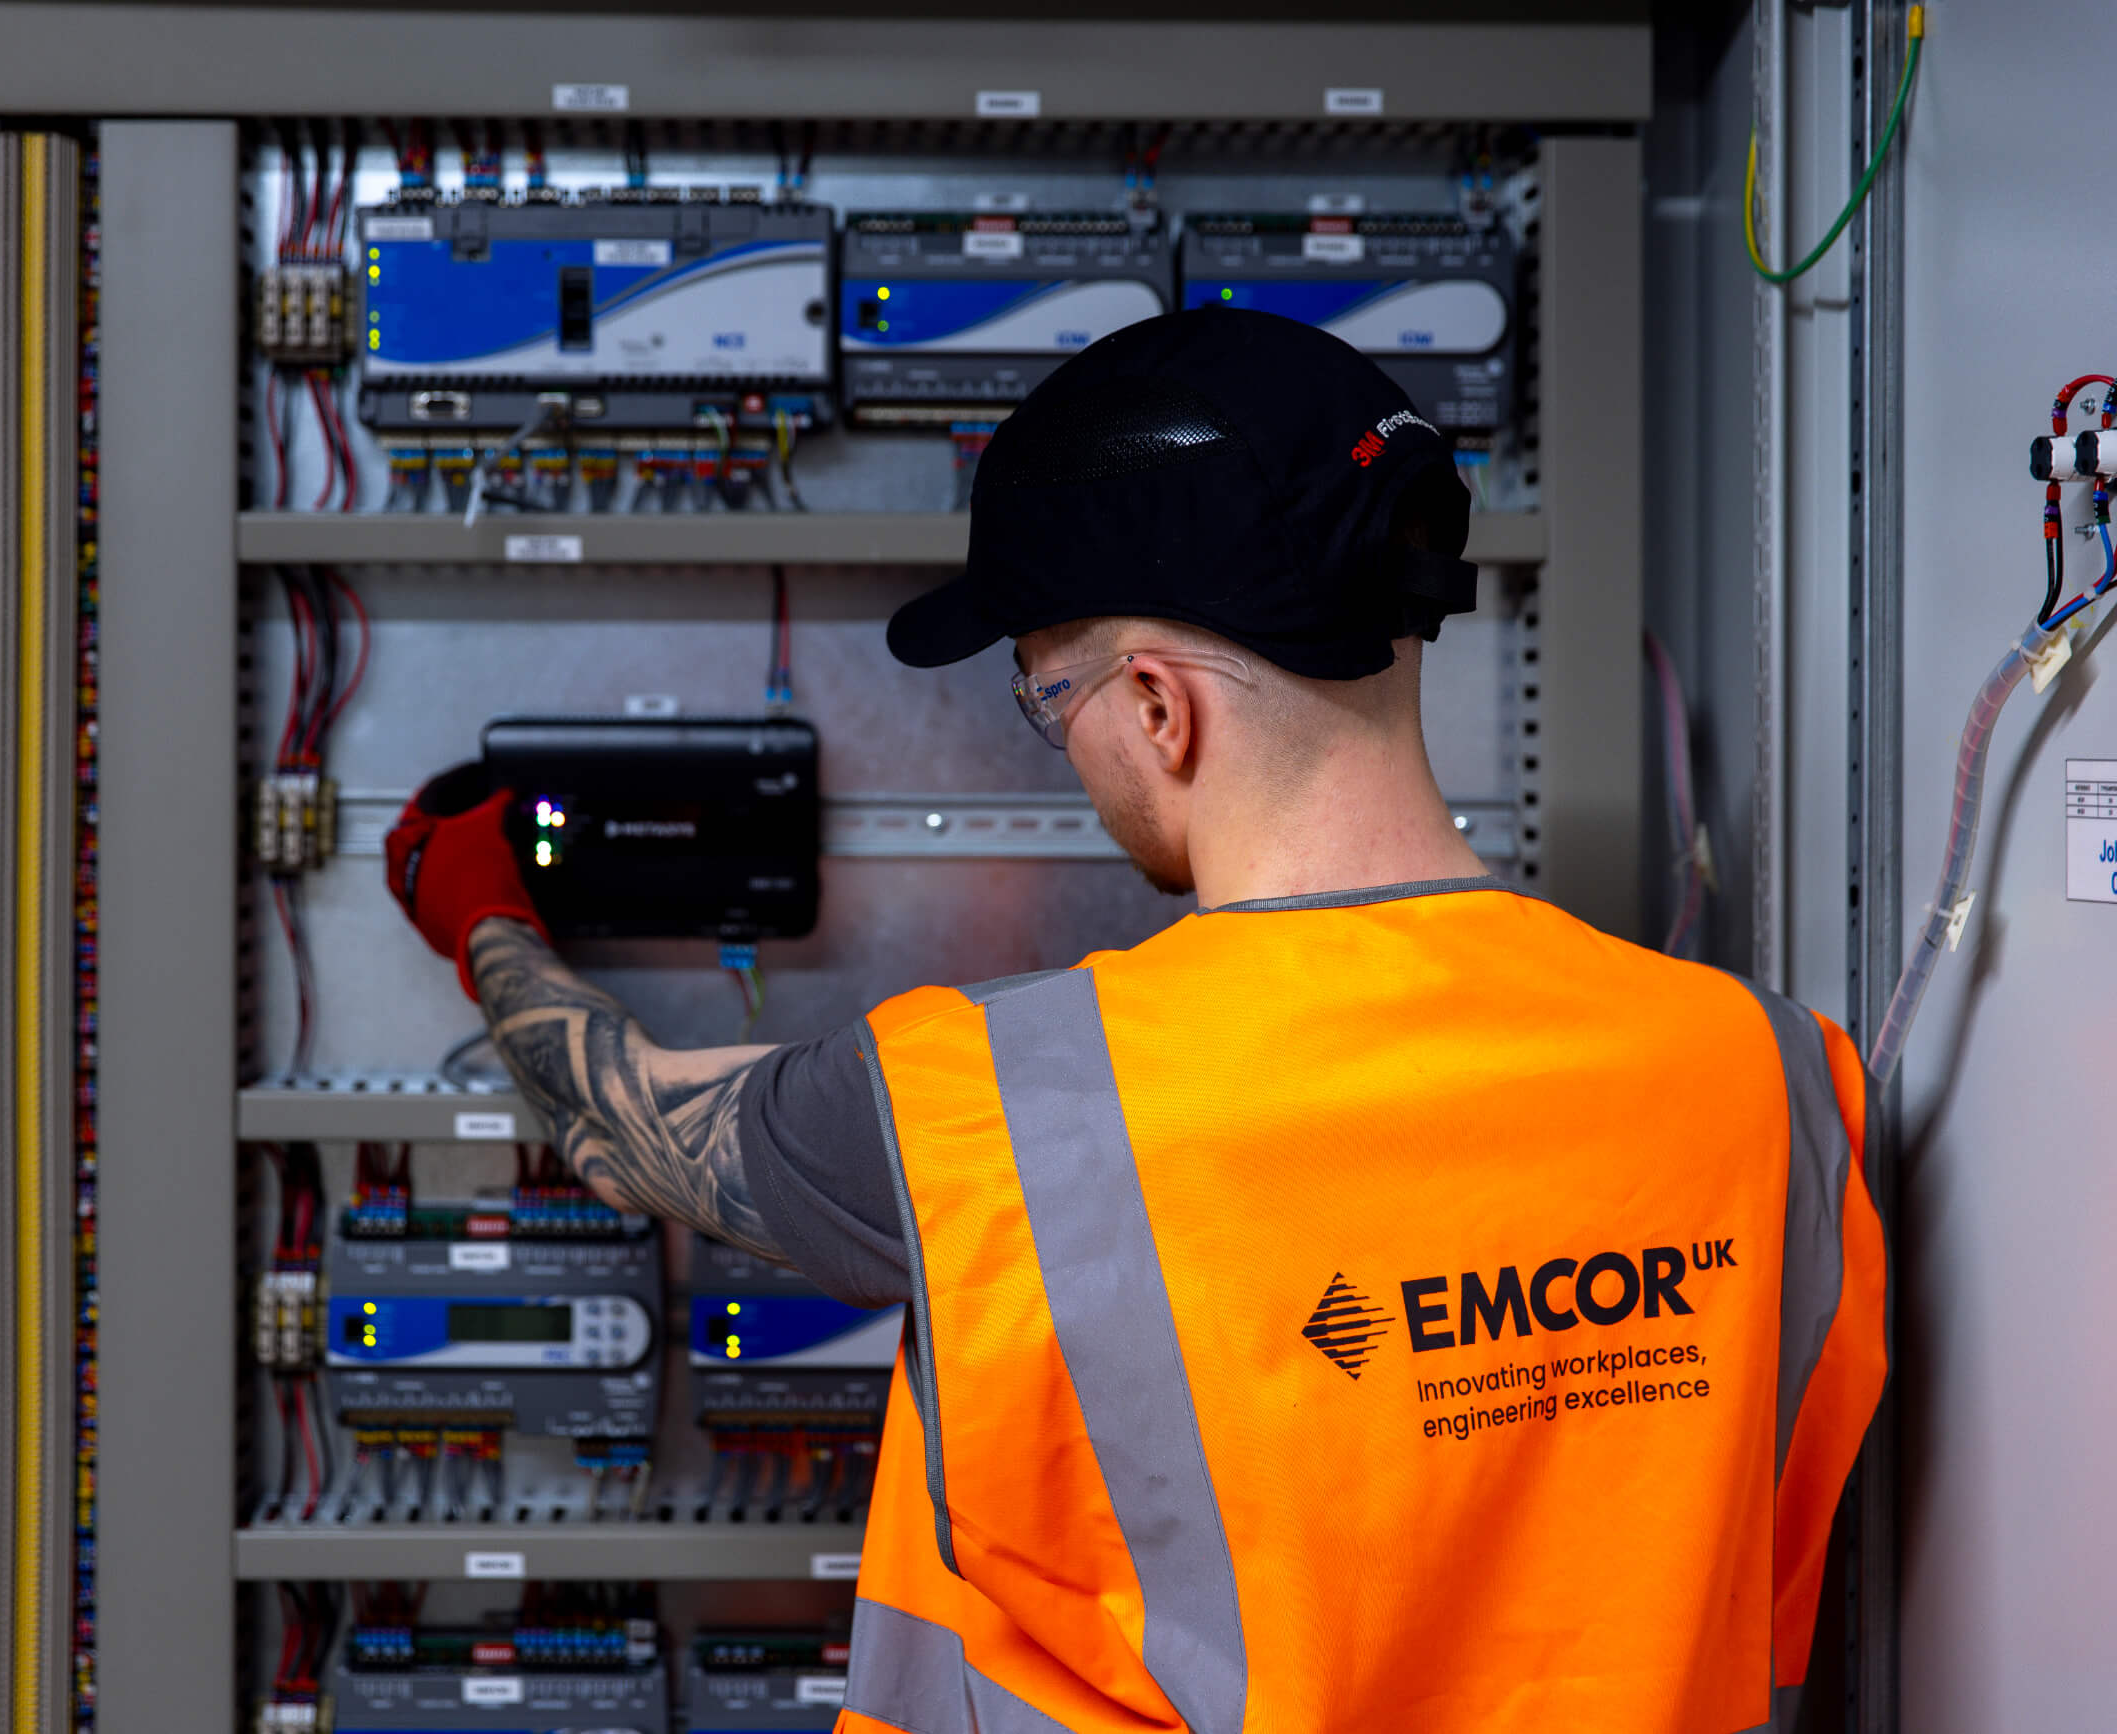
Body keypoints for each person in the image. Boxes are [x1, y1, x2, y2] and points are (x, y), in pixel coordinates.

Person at [384, 309, 1886, 1734]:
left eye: (1051, 695)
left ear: (1160, 706)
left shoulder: (998, 1104)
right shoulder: (1776, 1079)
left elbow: (620, 1114)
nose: (1069, 742)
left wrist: (485, 917)